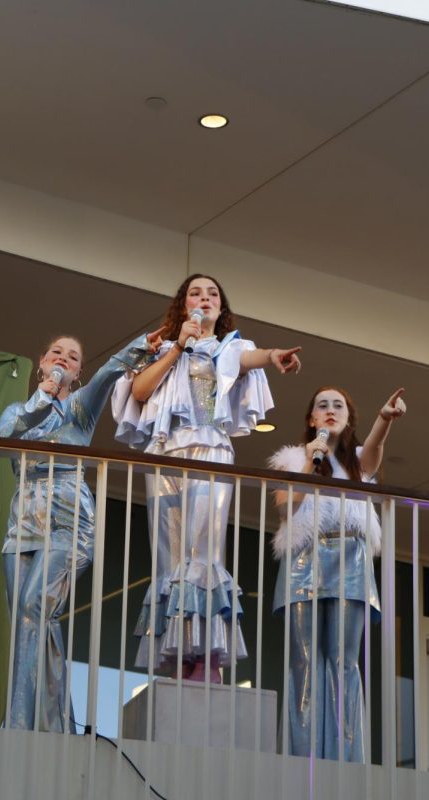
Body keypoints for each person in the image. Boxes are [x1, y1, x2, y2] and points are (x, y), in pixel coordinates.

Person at [112, 273, 302, 681]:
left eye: (212, 293)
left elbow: (248, 358)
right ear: (184, 305)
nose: (205, 298)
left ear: (221, 306)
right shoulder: (163, 347)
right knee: (167, 556)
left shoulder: (229, 347)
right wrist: (179, 344)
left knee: (202, 552)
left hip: (210, 450)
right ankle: (175, 656)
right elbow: (141, 391)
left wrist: (271, 356)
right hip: (166, 453)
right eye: (196, 293)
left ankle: (205, 658)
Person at [0, 333, 153, 731]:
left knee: (34, 606)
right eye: (56, 353)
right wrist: (40, 400)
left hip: (68, 521)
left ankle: (16, 723)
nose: (63, 359)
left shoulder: (80, 409)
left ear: (78, 371)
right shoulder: (20, 410)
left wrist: (144, 344)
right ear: (41, 363)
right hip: (23, 523)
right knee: (32, 623)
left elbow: (112, 370)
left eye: (73, 357)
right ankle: (56, 724)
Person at [267, 385, 406, 760]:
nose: (330, 410)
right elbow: (284, 510)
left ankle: (345, 757)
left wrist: (385, 419)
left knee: (344, 659)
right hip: (304, 558)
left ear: (349, 417)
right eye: (322, 406)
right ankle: (303, 757)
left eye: (338, 405)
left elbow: (375, 451)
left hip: (350, 555)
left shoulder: (359, 461)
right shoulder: (294, 458)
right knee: (305, 659)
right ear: (312, 419)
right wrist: (310, 464)